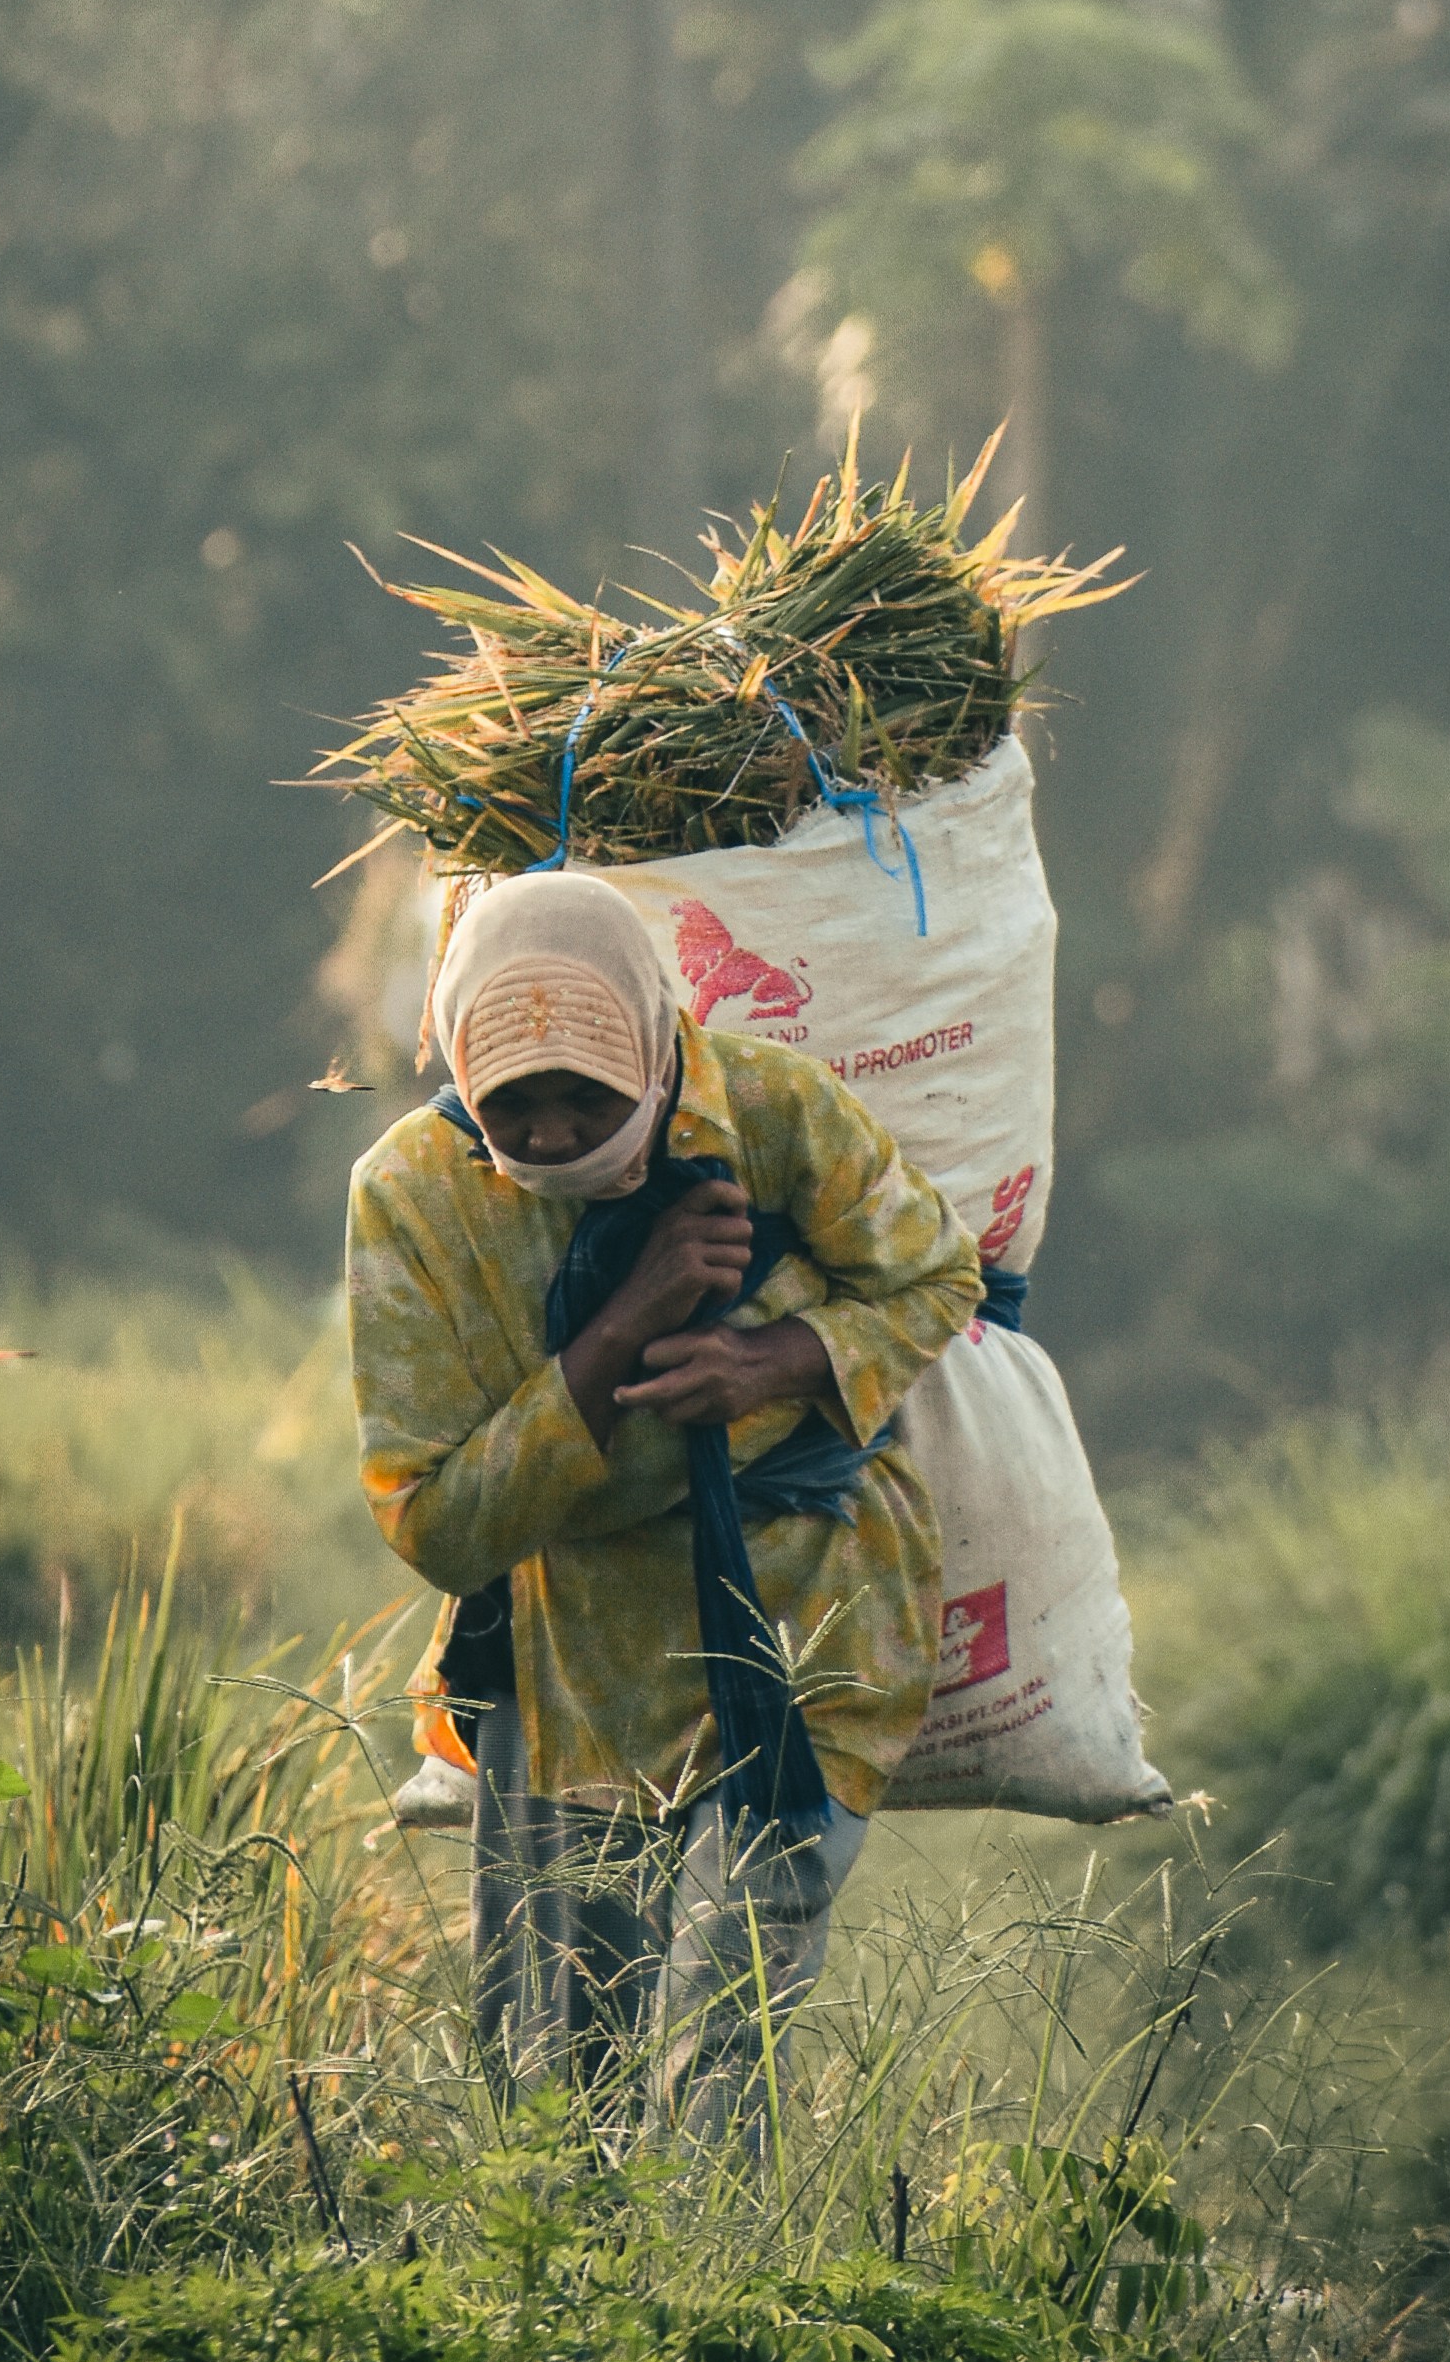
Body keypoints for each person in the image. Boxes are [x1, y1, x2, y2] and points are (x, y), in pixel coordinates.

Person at [345, 866, 980, 2144]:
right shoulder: (410, 1195)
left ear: (655, 1045)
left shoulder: (767, 1109)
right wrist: (627, 1324)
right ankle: (584, 2330)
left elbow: (933, 1273)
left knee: (717, 2035)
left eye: (591, 1092)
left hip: (803, 1624)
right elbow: (438, 1524)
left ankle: (725, 2318)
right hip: (576, 1665)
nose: (552, 1133)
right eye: (514, 1100)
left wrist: (772, 1360)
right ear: (462, 1064)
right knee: (563, 2080)